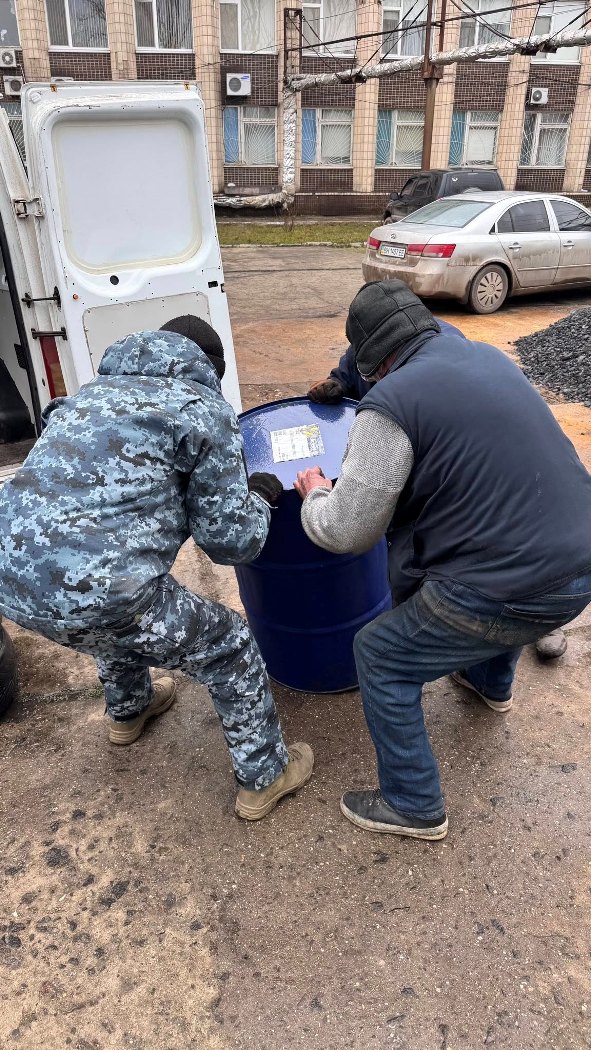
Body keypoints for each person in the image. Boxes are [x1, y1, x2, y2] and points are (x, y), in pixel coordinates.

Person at [295, 280, 591, 841]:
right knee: (489, 562)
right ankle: (490, 685)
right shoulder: (478, 353)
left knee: (380, 653)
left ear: (373, 362)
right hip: (579, 554)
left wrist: (314, 492)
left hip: (518, 585)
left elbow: (348, 531)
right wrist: (343, 377)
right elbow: (371, 361)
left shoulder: (389, 407)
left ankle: (412, 803)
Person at [0, 316, 313, 821]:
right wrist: (258, 497)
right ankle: (266, 774)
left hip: (11, 581)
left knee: (115, 592)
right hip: (100, 590)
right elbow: (231, 543)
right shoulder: (201, 410)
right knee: (226, 643)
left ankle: (129, 709)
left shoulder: (89, 396)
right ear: (211, 368)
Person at [308, 320, 569, 663]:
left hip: (532, 518)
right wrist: (338, 383)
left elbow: (347, 531)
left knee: (499, 542)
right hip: (549, 531)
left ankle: (541, 616)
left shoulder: (455, 362)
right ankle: (497, 664)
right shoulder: (372, 344)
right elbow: (352, 372)